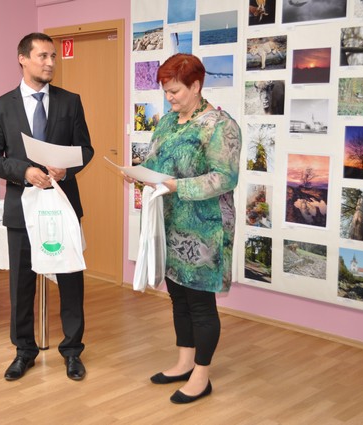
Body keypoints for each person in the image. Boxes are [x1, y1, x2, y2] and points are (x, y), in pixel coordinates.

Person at [123, 54, 241, 404]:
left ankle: (201, 377)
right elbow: (156, 162)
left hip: (205, 230)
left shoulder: (220, 126)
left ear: (196, 86)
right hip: (170, 224)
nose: (169, 97)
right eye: (166, 91)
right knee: (178, 297)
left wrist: (178, 186)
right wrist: (137, 172)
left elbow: (225, 177)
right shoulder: (167, 123)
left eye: (174, 91)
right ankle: (184, 362)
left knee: (201, 304)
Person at [0, 32, 94, 381]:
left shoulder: (70, 102)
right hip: (22, 209)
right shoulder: (1, 107)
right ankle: (24, 352)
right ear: (23, 59)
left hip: (63, 204)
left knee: (71, 281)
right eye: (43, 56)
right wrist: (24, 171)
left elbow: (85, 149)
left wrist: (66, 168)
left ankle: (72, 352)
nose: (50, 62)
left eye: (53, 57)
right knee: (21, 285)